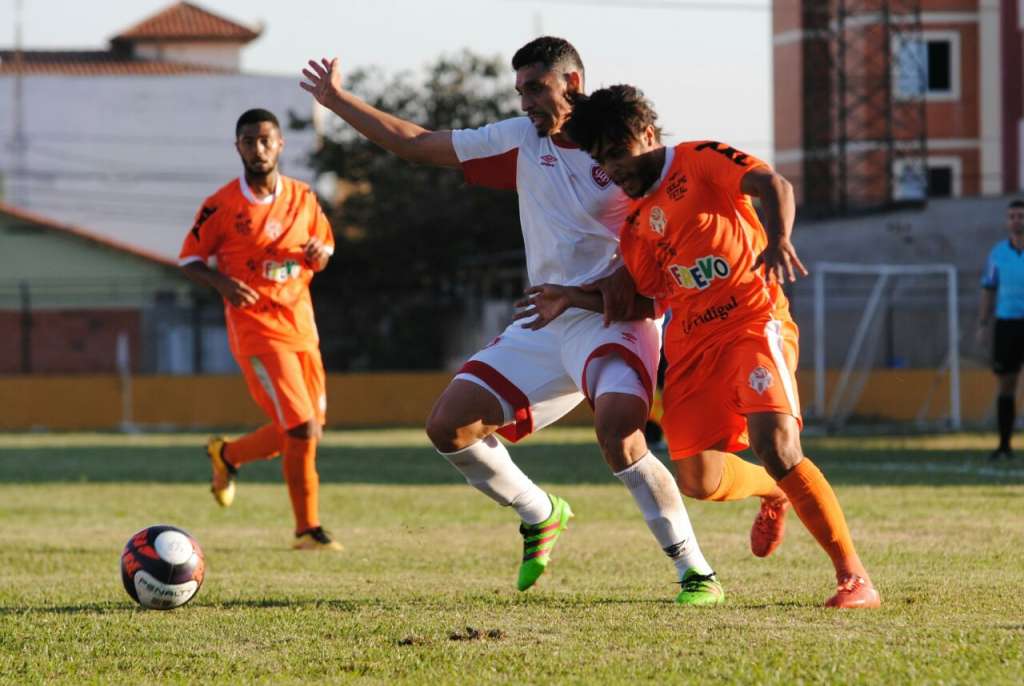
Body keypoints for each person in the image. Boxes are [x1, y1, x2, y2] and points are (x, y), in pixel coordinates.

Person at [300, 38, 724, 604]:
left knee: (620, 435)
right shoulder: (522, 137)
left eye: (536, 88)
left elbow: (666, 237)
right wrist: (337, 100)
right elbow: (418, 144)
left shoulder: (623, 149)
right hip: (546, 317)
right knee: (448, 427)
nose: (525, 102)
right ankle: (540, 511)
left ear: (572, 83)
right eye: (520, 90)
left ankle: (695, 571)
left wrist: (591, 293)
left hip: (612, 318)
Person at [520, 84, 880, 608]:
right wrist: (571, 297)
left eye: (618, 153)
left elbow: (773, 184)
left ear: (647, 134)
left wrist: (779, 239)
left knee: (777, 443)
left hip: (753, 323)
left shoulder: (701, 159)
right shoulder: (636, 227)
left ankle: (853, 578)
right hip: (691, 346)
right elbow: (645, 302)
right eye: (602, 160)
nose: (613, 169)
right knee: (698, 480)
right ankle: (773, 489)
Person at [179, 108, 342, 551]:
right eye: (249, 141)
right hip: (257, 328)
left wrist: (319, 255)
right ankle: (307, 531)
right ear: (238, 147)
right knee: (301, 428)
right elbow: (190, 259)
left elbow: (324, 248)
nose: (258, 149)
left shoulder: (303, 197)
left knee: (305, 431)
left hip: (301, 324)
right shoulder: (220, 205)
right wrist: (222, 283)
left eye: (266, 140)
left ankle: (227, 455)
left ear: (280, 144)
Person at [977, 199, 1024, 460]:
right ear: (1007, 221)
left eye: (1021, 216)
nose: (1017, 221)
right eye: (1012, 216)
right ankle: (1004, 445)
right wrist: (983, 324)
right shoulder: (997, 254)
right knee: (1006, 384)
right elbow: (988, 288)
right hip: (1006, 324)